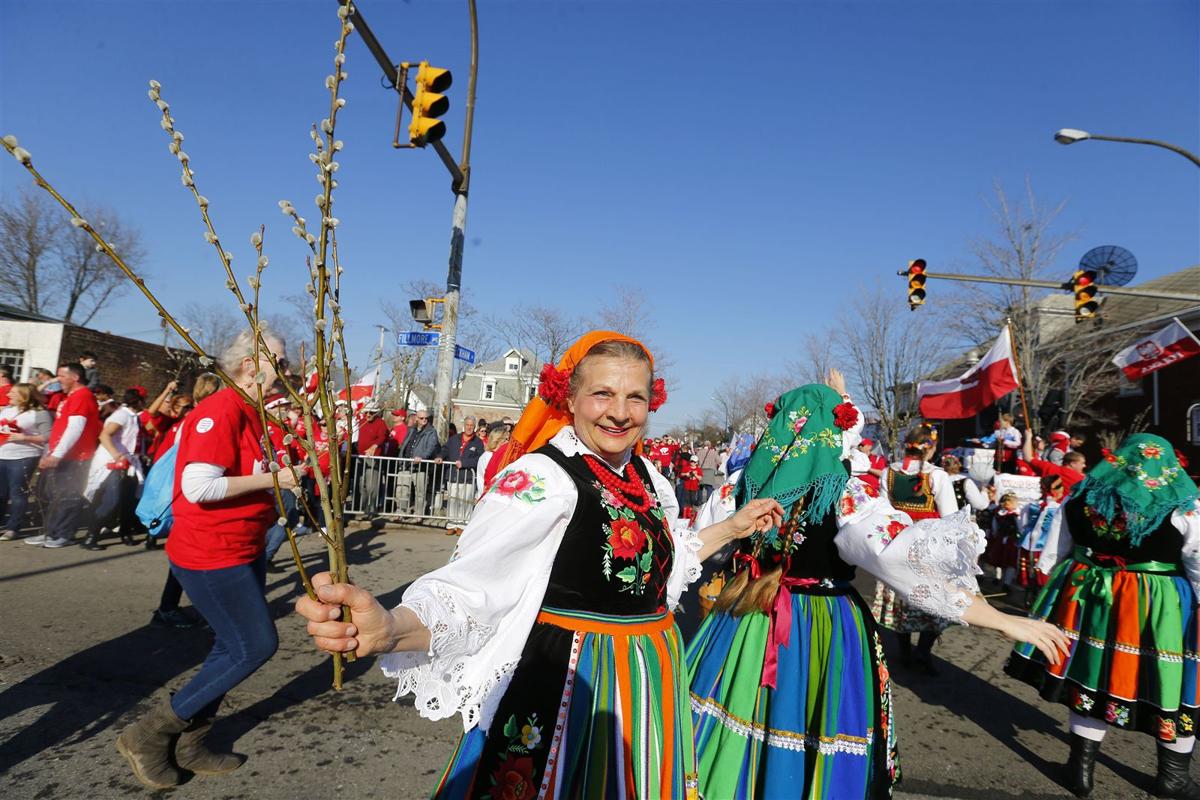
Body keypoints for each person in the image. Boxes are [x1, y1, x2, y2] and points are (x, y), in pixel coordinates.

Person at [296, 332, 784, 798]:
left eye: (634, 397)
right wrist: (389, 628)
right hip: (573, 681)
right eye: (602, 394)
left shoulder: (645, 475)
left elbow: (659, 567)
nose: (619, 413)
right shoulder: (542, 478)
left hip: (649, 676)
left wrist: (729, 528)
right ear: (569, 399)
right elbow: (474, 587)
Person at [686, 378, 1068, 799]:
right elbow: (908, 566)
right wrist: (1000, 620)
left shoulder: (739, 484)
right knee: (809, 721)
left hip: (742, 616)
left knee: (736, 720)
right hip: (819, 627)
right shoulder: (843, 495)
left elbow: (695, 550)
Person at [116, 329, 298, 789]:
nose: (287, 369)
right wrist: (272, 483)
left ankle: (193, 743)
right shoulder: (219, 411)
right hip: (212, 553)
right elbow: (200, 487)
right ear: (249, 365)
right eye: (279, 360)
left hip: (243, 547)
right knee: (256, 646)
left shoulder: (253, 414)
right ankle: (149, 733)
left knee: (227, 646)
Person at [1006, 435, 1200, 799]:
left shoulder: (1080, 497)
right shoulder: (1183, 507)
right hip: (1158, 607)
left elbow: (1058, 553)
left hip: (1090, 596)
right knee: (1173, 682)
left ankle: (1080, 772)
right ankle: (1172, 777)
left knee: (1091, 676)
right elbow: (1198, 563)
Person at [873, 429, 960, 672]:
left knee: (901, 599)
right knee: (931, 600)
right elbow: (951, 518)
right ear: (930, 448)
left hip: (898, 544)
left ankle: (904, 652)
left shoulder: (888, 472)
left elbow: (882, 513)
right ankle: (923, 652)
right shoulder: (937, 476)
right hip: (929, 549)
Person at [25, 363, 101, 548]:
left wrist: (57, 455)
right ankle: (50, 533)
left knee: (68, 496)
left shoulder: (82, 396)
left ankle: (64, 534)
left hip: (76, 458)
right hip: (62, 455)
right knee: (54, 495)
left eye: (61, 376)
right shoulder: (69, 397)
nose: (58, 380)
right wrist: (51, 453)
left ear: (75, 378)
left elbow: (75, 429)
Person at [82, 388, 146, 549]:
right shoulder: (121, 415)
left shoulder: (134, 416)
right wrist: (117, 455)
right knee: (112, 500)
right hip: (113, 463)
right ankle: (91, 536)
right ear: (138, 401)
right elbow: (104, 435)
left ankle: (125, 532)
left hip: (130, 462)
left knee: (129, 500)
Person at [0, 384, 52, 540]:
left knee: (17, 492)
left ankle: (13, 527)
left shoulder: (40, 413)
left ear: (25, 395)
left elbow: (48, 436)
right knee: (1, 493)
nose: (9, 394)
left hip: (24, 456)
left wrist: (25, 438)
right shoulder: (7, 410)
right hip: (2, 454)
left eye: (13, 392)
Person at [441, 415, 484, 535]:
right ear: (463, 426)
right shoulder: (454, 439)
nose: (469, 427)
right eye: (467, 425)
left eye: (471, 425)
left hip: (468, 477)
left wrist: (464, 463)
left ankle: (462, 525)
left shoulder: (478, 442)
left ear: (474, 427)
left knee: (465, 502)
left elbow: (479, 459)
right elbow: (445, 450)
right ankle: (451, 524)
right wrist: (440, 456)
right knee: (452, 500)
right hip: (453, 475)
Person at [397, 409, 440, 519]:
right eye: (421, 418)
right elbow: (405, 444)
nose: (424, 420)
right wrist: (401, 458)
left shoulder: (431, 431)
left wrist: (422, 457)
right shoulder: (411, 430)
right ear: (416, 418)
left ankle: (418, 515)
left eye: (426, 418)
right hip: (406, 464)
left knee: (420, 492)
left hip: (421, 466)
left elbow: (431, 446)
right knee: (402, 489)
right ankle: (401, 512)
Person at [354, 401, 390, 518]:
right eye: (366, 412)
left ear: (376, 413)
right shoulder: (362, 422)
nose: (368, 415)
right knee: (361, 485)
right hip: (360, 458)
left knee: (372, 486)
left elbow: (383, 437)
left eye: (371, 412)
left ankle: (371, 509)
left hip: (373, 459)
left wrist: (373, 447)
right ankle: (364, 508)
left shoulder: (381, 423)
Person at [473, 423, 509, 500]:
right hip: (488, 495)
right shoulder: (487, 456)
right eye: (506, 439)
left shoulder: (502, 455)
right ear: (498, 440)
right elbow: (483, 478)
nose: (508, 442)